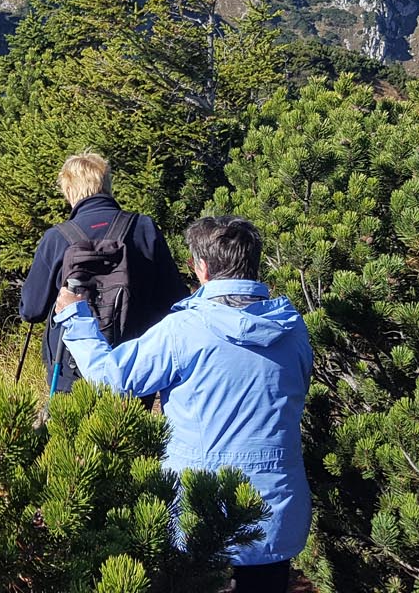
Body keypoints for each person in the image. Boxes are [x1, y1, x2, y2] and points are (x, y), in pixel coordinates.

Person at [52, 215, 310, 593]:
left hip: (200, 516)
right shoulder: (292, 328)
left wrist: (75, 318)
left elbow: (114, 379)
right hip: (277, 518)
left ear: (201, 267)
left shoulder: (185, 330)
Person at [18, 152, 184, 393]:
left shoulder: (57, 237)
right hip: (133, 369)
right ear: (107, 185)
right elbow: (173, 301)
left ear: (69, 190)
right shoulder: (144, 228)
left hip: (69, 372)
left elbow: (31, 311)